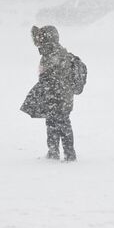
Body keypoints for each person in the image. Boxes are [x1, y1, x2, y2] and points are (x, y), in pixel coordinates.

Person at [21, 25, 77, 161]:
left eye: (41, 37)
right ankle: (53, 152)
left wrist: (47, 85)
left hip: (58, 96)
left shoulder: (54, 55)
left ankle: (68, 154)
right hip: (58, 96)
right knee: (52, 123)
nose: (38, 41)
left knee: (62, 124)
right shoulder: (52, 53)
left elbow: (54, 78)